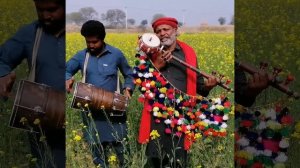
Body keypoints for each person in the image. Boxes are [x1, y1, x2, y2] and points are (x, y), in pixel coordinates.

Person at [137, 17, 218, 168]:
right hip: (157, 116)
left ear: (175, 31)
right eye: (158, 31)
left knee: (179, 160)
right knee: (156, 159)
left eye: (166, 29)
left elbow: (200, 87)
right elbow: (141, 85)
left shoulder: (189, 53)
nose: (162, 34)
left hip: (182, 115)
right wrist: (157, 66)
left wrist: (209, 86)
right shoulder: (148, 52)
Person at [0, 0, 65, 167]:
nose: (45, 16)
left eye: (51, 10)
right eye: (39, 10)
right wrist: (3, 74)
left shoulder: (80, 33)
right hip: (42, 121)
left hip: (76, 120)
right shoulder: (31, 33)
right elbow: (2, 59)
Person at [65, 20, 135, 167]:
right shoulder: (81, 56)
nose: (91, 45)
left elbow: (129, 74)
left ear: (102, 38)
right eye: (88, 42)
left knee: (120, 144)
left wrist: (128, 88)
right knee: (96, 145)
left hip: (114, 108)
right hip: (91, 109)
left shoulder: (116, 54)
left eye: (94, 42)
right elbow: (66, 70)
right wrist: (67, 79)